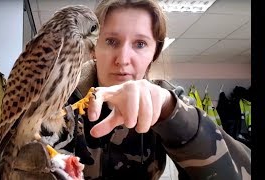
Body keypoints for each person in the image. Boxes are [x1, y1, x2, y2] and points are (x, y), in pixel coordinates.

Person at [42, 0, 251, 179]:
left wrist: (172, 115)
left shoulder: (170, 103)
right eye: (111, 41)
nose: (123, 60)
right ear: (93, 47)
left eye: (140, 44)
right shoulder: (55, 99)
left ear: (154, 53)